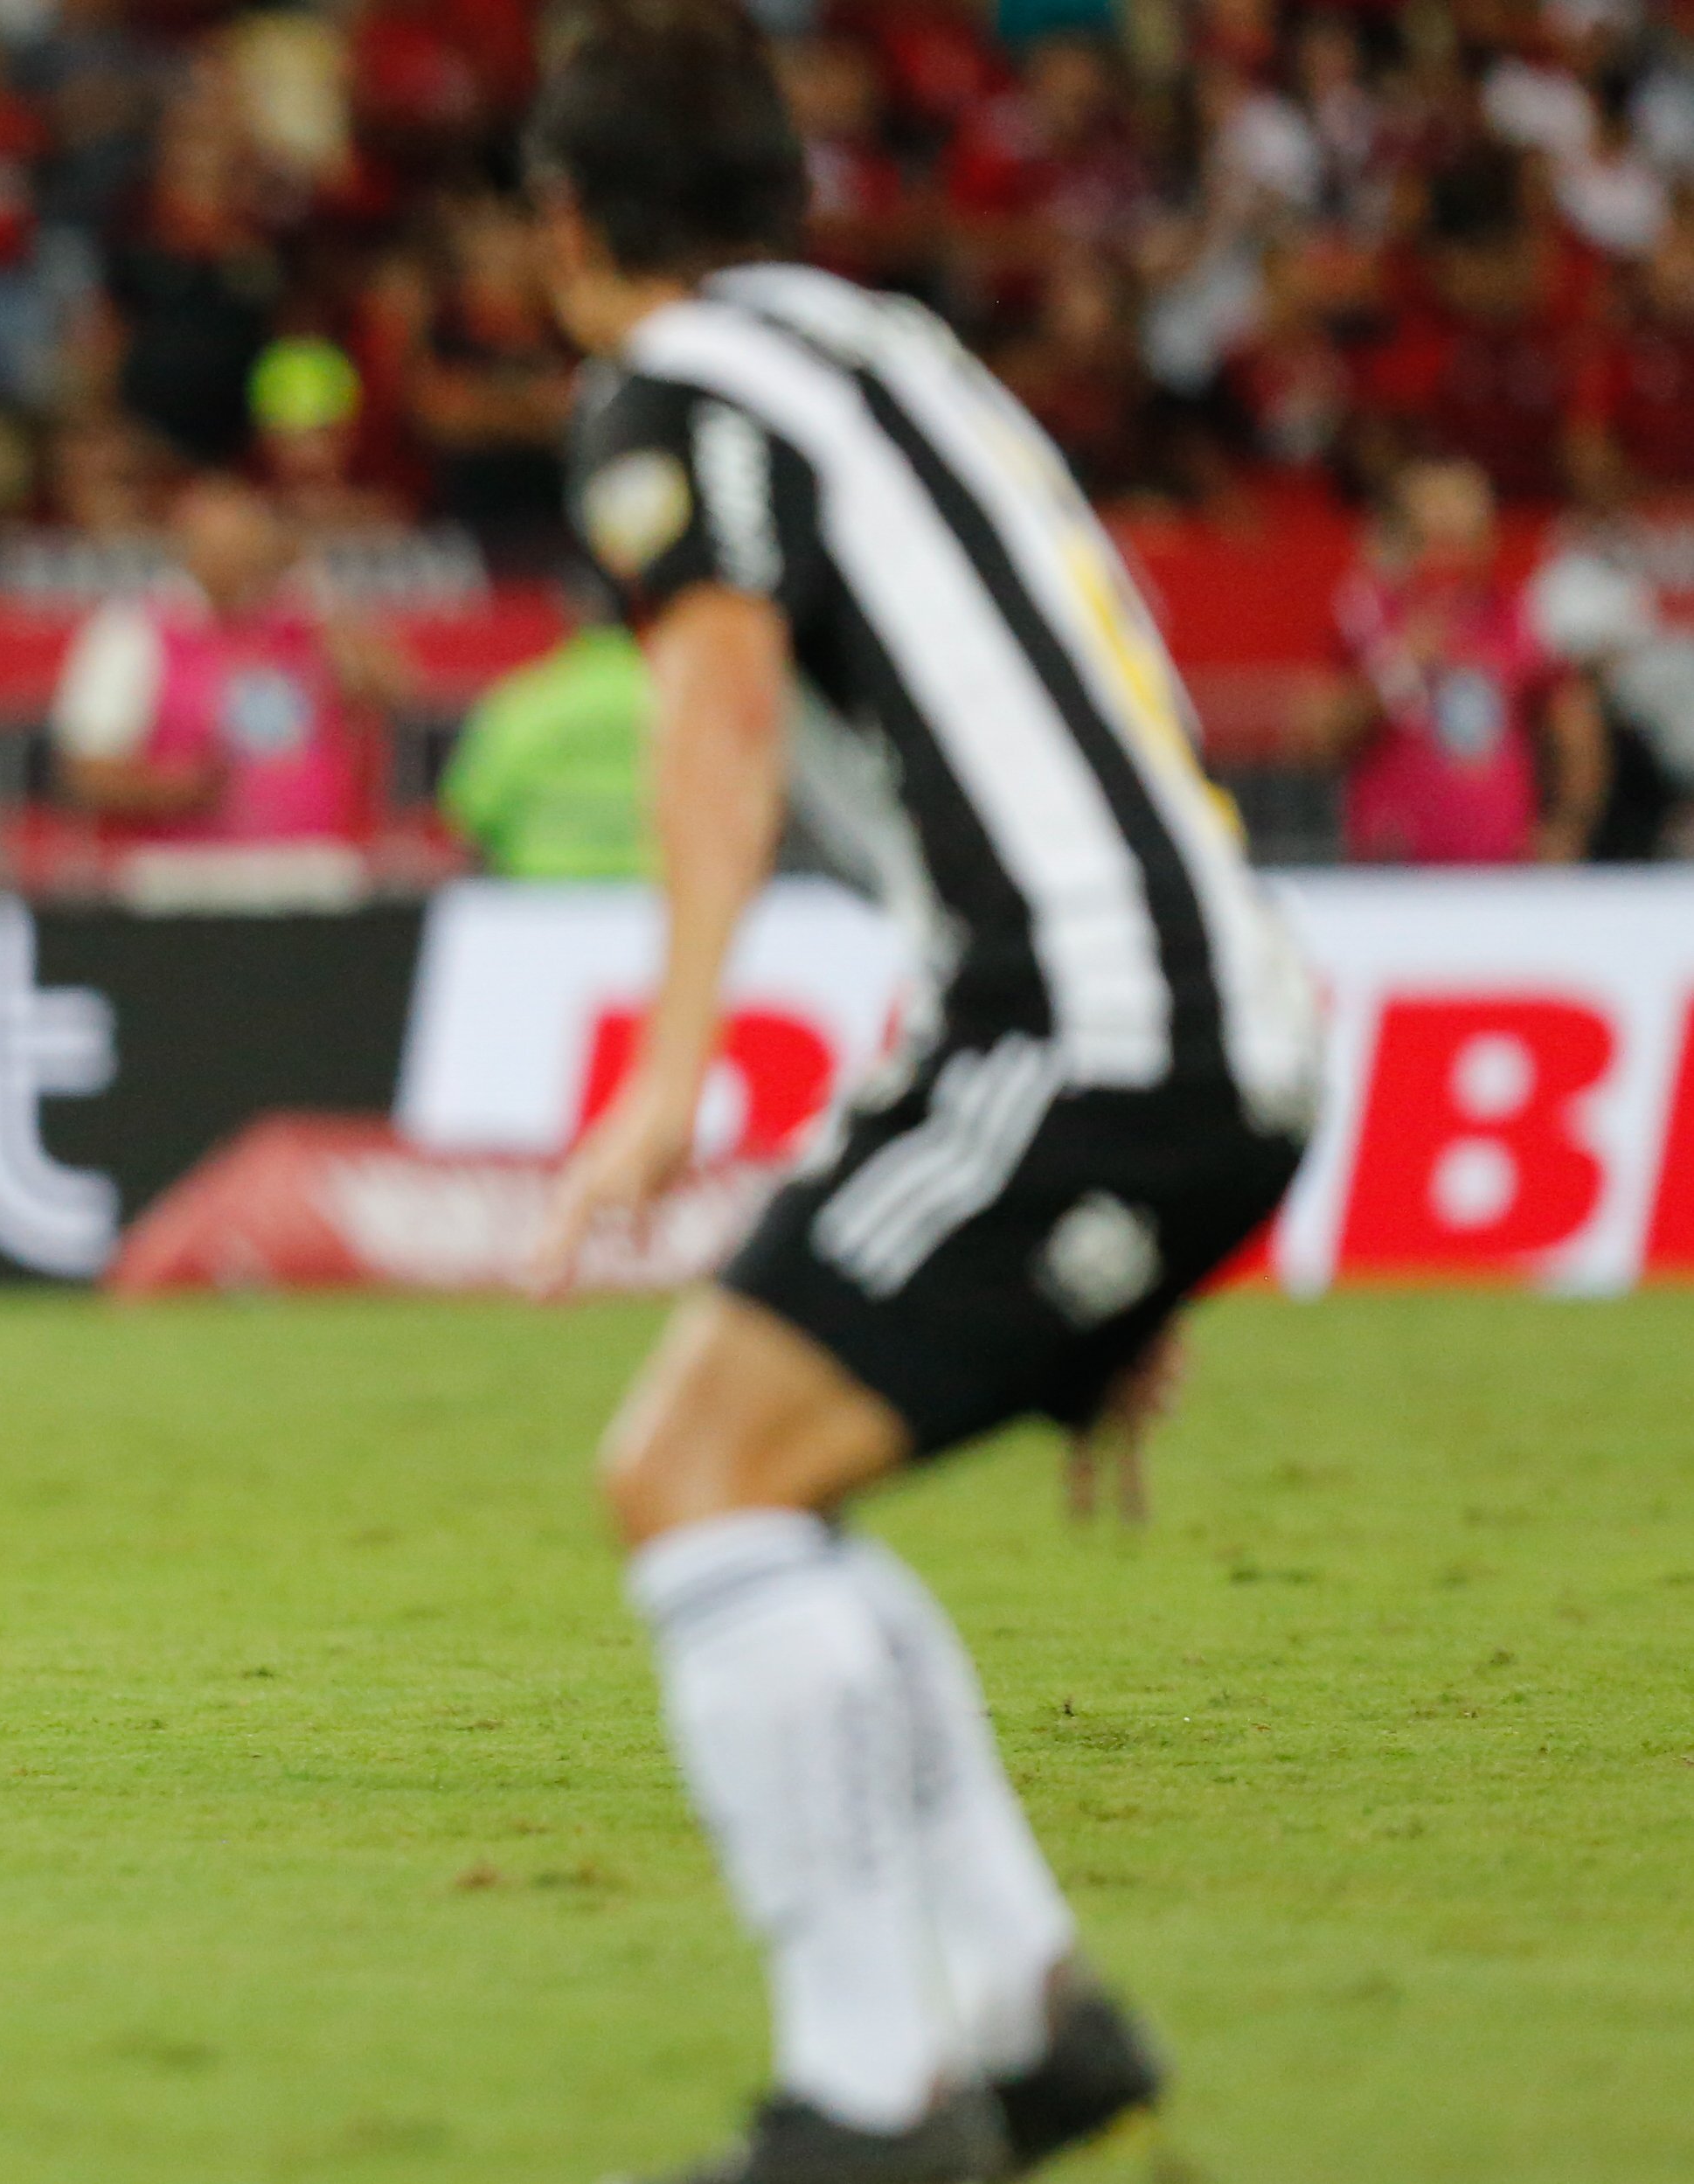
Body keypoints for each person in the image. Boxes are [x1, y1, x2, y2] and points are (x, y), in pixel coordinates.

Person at [521, 10, 1322, 2180]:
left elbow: (718, 724)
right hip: (1175, 1005)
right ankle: (1032, 2025)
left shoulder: (670, 396)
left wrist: (667, 1069)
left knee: (692, 1482)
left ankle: (868, 2106)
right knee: (759, 1490)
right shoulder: (903, 363)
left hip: (1090, 1028)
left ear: (567, 220)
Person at [50, 469, 392, 844]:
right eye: (219, 546)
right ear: (185, 548)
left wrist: (315, 583)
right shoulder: (132, 632)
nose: (236, 560)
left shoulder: (309, 621)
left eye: (246, 544)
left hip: (315, 864)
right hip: (180, 873)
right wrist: (182, 790)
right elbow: (88, 772)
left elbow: (389, 689)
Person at [1315, 455, 1607, 866]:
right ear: (1403, 538)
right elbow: (1317, 734)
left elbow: (1576, 727)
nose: (1447, 556)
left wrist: (1566, 827)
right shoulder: (1369, 614)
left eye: (1461, 538)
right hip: (1392, 875)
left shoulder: (1515, 618)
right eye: (1432, 537)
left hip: (1502, 871)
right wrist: (1397, 667)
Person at [436, 600, 656, 879]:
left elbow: (471, 813)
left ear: (569, 621)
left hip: (541, 899)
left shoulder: (525, 703)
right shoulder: (692, 707)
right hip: (663, 898)